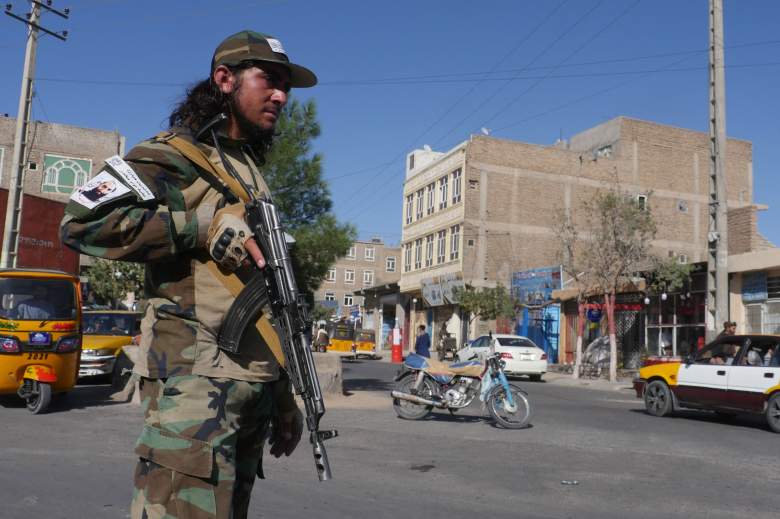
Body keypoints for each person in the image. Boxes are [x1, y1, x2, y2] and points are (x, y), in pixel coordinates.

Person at [60, 30, 317, 519]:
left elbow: (270, 299)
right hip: (195, 383)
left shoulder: (248, 170)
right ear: (224, 79)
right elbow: (80, 222)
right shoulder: (172, 155)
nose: (281, 96)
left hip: (251, 386)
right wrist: (198, 228)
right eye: (269, 80)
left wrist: (284, 395)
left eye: (286, 85)